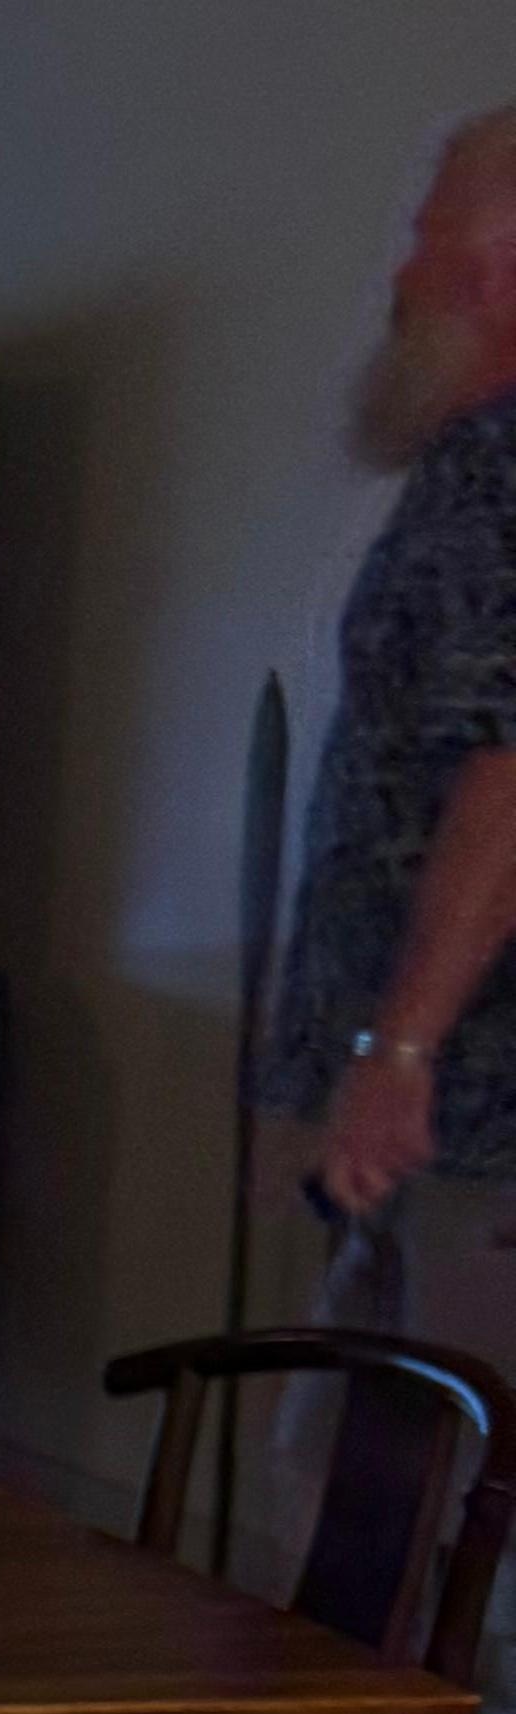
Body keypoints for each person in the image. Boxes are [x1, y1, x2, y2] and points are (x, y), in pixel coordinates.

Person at [264, 107, 516, 1267]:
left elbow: (509, 763)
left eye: (425, 239)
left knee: (441, 1384)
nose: (403, 280)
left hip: (468, 1120)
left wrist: (400, 1049)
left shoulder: (500, 461)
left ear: (499, 270)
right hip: (437, 1119)